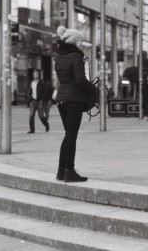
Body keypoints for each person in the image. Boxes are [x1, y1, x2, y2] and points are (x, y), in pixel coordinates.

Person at [54, 26, 95, 182]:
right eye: (81, 41)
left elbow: (67, 77)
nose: (82, 44)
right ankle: (69, 171)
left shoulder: (58, 56)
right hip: (73, 100)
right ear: (74, 41)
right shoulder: (75, 56)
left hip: (62, 100)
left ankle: (61, 171)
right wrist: (93, 89)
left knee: (68, 136)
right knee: (72, 136)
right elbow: (80, 80)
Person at [27, 69, 50, 133]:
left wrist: (42, 100)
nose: (35, 75)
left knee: (41, 116)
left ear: (38, 75)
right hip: (33, 101)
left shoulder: (42, 83)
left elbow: (45, 92)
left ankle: (46, 124)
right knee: (31, 116)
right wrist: (30, 98)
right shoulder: (31, 83)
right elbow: (29, 92)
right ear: (33, 75)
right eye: (34, 74)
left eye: (36, 74)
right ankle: (32, 129)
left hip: (40, 101)